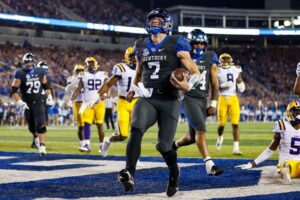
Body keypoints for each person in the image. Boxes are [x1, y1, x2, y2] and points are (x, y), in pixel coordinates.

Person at [118, 8, 201, 197]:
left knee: (163, 146)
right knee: (136, 127)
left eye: (159, 19)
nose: (155, 22)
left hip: (169, 99)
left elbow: (195, 71)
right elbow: (138, 73)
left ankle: (174, 172)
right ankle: (129, 171)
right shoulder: (140, 44)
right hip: (148, 97)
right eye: (152, 19)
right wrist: (133, 88)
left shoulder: (176, 42)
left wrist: (188, 86)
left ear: (166, 23)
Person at [172, 29, 223, 176]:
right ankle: (209, 165)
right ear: (189, 44)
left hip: (202, 99)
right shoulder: (181, 57)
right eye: (196, 43)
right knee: (201, 129)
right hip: (187, 98)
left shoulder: (210, 56)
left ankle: (173, 145)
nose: (199, 46)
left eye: (202, 43)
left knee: (192, 137)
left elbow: (215, 84)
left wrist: (213, 103)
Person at [236, 101, 300, 184]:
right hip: (285, 163)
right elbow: (271, 149)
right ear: (289, 113)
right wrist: (253, 163)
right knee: (284, 168)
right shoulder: (282, 125)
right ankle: (285, 174)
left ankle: (286, 174)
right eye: (296, 112)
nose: (298, 115)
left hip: (299, 164)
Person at [98, 47, 138, 157]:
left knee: (137, 131)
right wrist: (97, 96)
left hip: (137, 103)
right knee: (123, 135)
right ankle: (107, 141)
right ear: (127, 57)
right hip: (123, 103)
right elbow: (108, 84)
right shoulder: (121, 68)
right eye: (132, 56)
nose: (134, 59)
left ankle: (134, 157)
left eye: (136, 56)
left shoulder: (143, 68)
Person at [11, 53, 54, 155]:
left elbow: (46, 86)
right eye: (27, 62)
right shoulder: (19, 73)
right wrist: (19, 102)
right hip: (27, 103)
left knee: (41, 125)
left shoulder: (40, 71)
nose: (29, 64)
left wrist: (49, 96)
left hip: (39, 102)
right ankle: (36, 138)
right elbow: (13, 91)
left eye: (30, 62)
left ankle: (42, 146)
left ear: (34, 62)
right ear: (23, 63)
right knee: (31, 127)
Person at [72, 57, 108, 153]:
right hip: (87, 103)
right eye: (89, 63)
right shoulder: (83, 75)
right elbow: (79, 89)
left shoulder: (102, 74)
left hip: (99, 103)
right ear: (86, 64)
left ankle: (102, 146)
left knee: (100, 125)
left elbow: (106, 86)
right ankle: (87, 145)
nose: (91, 64)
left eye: (92, 62)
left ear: (96, 63)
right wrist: (72, 99)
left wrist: (105, 93)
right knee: (87, 123)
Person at [216, 53, 245, 155]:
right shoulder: (216, 70)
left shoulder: (236, 69)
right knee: (221, 125)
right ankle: (220, 137)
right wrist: (223, 85)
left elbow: (240, 82)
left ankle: (236, 148)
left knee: (235, 124)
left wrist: (241, 84)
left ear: (231, 60)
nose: (225, 61)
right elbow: (215, 86)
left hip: (233, 98)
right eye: (223, 59)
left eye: (227, 59)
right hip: (222, 98)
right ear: (220, 60)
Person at [65, 64, 85, 150]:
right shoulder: (71, 78)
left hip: (85, 102)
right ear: (74, 71)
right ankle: (82, 142)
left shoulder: (87, 77)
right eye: (78, 70)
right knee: (80, 125)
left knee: (87, 124)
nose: (80, 72)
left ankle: (86, 142)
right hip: (76, 102)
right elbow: (68, 89)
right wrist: (78, 79)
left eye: (81, 70)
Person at [37, 61, 52, 127]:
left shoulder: (48, 78)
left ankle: (45, 124)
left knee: (44, 112)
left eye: (45, 69)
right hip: (35, 96)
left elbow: (48, 88)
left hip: (43, 96)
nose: (44, 71)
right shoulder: (34, 76)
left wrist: (50, 97)